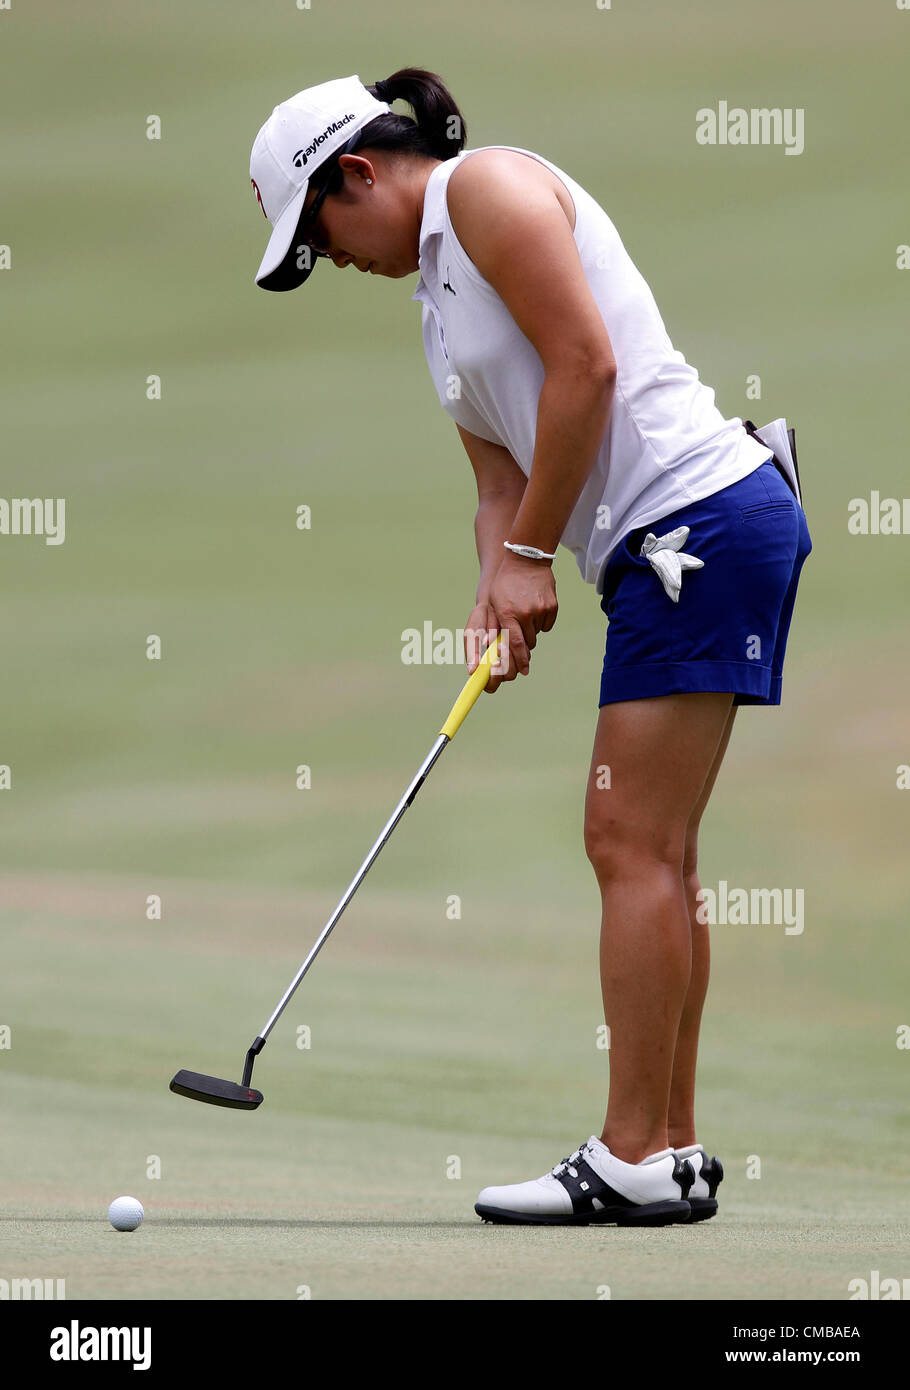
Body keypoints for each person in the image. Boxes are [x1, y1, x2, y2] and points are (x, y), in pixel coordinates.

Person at [249, 69, 812, 1227]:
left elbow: (588, 366)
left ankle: (626, 1157)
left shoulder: (488, 190)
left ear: (357, 172)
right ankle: (670, 1150)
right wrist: (494, 584)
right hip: (669, 542)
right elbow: (496, 481)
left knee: (625, 839)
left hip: (696, 522)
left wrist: (531, 554)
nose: (332, 260)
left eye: (320, 232)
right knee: (654, 847)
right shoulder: (436, 302)